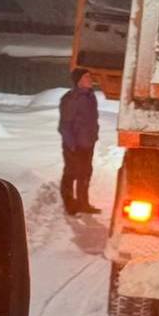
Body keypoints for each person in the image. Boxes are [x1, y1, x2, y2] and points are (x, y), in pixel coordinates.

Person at [58, 68, 100, 215]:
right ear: (79, 81)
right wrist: (72, 146)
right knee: (71, 173)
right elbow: (65, 125)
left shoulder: (90, 97)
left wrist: (93, 137)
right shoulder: (71, 99)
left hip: (88, 143)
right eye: (87, 77)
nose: (90, 79)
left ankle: (83, 204)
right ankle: (70, 205)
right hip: (74, 145)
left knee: (85, 173)